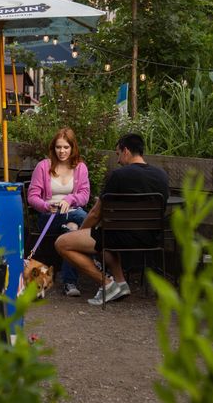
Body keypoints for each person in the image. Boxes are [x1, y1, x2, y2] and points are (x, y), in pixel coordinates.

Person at [55, 133, 169, 306]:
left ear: (126, 151)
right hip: (152, 238)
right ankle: (121, 283)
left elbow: (95, 214)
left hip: (120, 237)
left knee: (62, 243)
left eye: (117, 154)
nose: (117, 160)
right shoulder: (161, 175)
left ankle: (107, 284)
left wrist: (80, 233)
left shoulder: (119, 175)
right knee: (107, 233)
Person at [27, 128, 91, 297]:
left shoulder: (80, 168)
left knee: (72, 229)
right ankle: (94, 238)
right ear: (53, 148)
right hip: (49, 218)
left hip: (71, 215)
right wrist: (47, 205)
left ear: (73, 148)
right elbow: (32, 197)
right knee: (82, 219)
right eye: (58, 147)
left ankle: (70, 283)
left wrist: (69, 200)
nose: (62, 151)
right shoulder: (43, 167)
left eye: (66, 147)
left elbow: (84, 196)